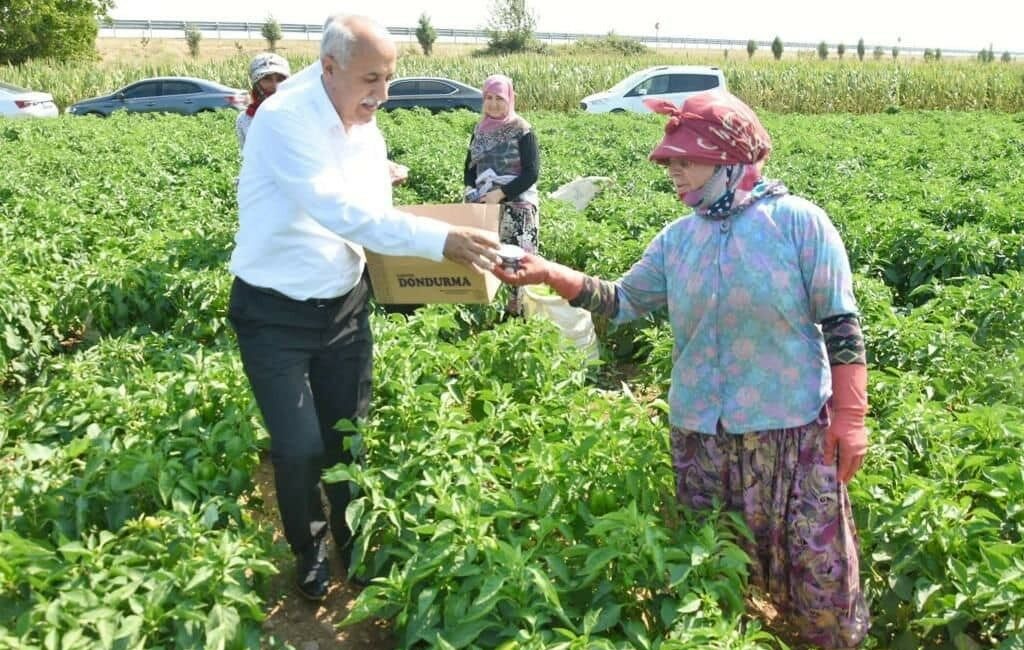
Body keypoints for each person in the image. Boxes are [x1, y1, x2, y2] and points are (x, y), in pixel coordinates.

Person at [494, 90, 870, 649]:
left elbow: (841, 321)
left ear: (729, 161)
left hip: (790, 432)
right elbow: (619, 301)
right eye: (670, 162)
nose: (674, 173)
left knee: (817, 572)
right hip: (703, 437)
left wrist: (851, 417)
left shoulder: (798, 224)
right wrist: (550, 272)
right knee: (715, 577)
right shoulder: (678, 240)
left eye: (685, 161)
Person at [227, 13, 499, 602]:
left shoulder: (365, 126)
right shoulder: (283, 120)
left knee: (347, 437)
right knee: (299, 448)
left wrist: (424, 270)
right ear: (330, 67)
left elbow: (373, 217)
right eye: (371, 79)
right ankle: (310, 550)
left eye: (390, 78)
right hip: (273, 312)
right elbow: (338, 210)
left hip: (343, 306)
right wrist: (442, 241)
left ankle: (356, 544)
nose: (383, 94)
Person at [463, 74, 539, 315]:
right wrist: (472, 192)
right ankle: (487, 315)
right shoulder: (480, 129)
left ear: (510, 99)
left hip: (517, 209)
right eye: (488, 98)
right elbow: (470, 168)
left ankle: (516, 319)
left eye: (499, 98)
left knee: (515, 264)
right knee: (485, 260)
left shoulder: (522, 130)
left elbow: (531, 172)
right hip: (485, 206)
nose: (493, 104)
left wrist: (501, 194)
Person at [236, 52, 290, 149]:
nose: (274, 85)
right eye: (267, 79)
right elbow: (246, 155)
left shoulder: (297, 113)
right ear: (256, 83)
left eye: (280, 79)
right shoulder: (245, 119)